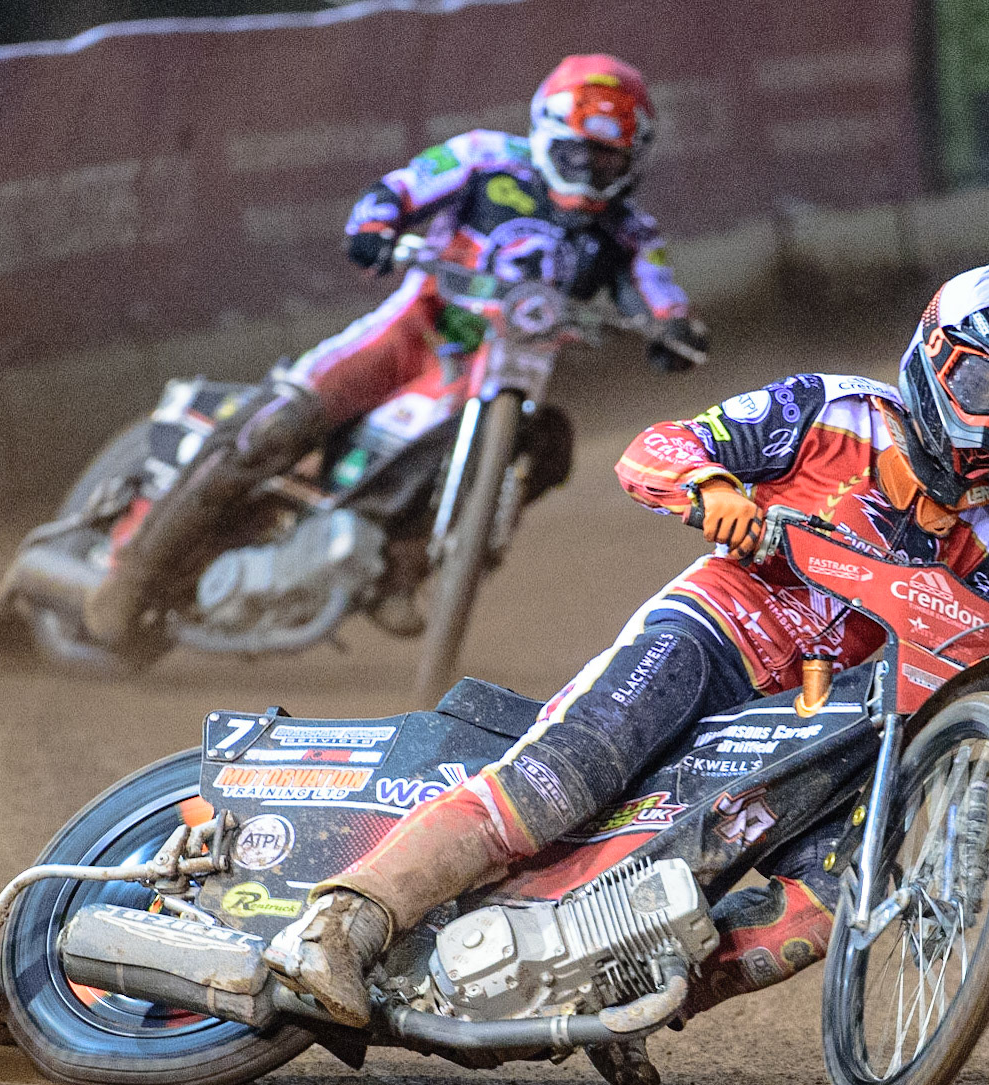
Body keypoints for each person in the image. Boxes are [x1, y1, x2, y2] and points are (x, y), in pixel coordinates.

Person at [262, 263, 989, 1085]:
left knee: (825, 903)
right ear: (934, 356)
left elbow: (979, 679)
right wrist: (714, 486)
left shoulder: (984, 537)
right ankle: (341, 920)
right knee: (557, 782)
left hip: (809, 714)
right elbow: (659, 447)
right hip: (713, 629)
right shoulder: (829, 409)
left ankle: (627, 998)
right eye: (984, 389)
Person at [79, 53, 707, 645]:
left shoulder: (631, 230)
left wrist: (676, 329)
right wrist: (374, 227)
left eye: (606, 159)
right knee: (271, 430)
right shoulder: (486, 156)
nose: (591, 171)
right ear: (546, 132)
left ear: (633, 159)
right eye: (578, 152)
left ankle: (401, 573)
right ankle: (131, 577)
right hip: (411, 334)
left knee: (550, 445)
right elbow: (399, 189)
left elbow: (660, 291)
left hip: (503, 374)